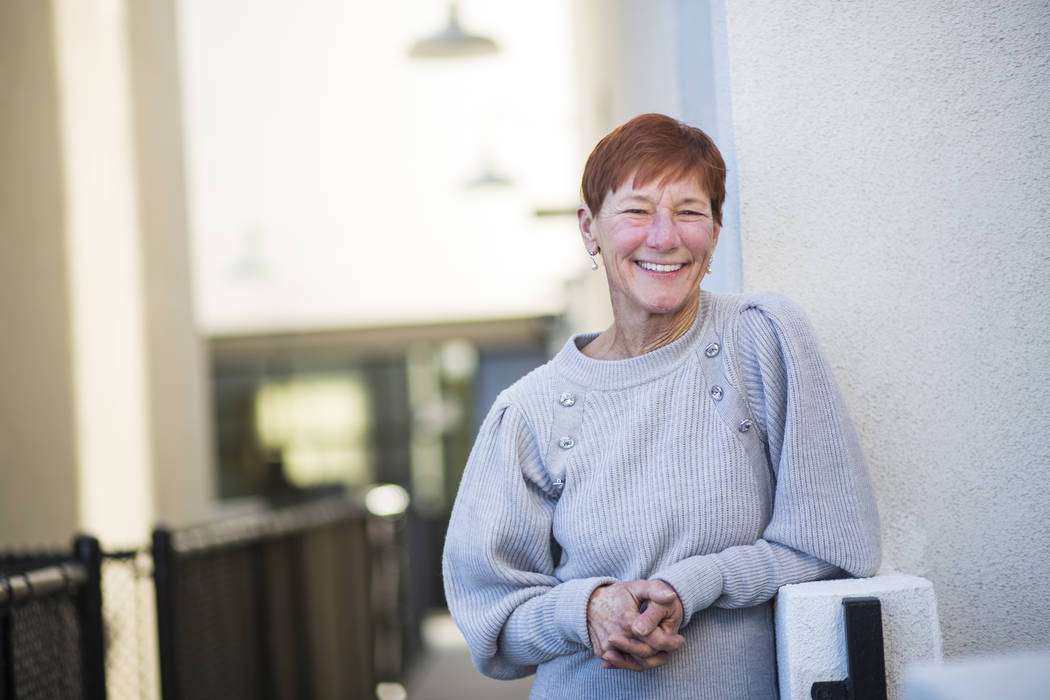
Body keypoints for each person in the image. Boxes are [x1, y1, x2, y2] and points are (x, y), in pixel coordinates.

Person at [442, 113, 881, 699]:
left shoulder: (762, 340)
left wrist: (695, 583)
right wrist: (589, 609)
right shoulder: (530, 411)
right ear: (589, 229)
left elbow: (835, 544)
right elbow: (492, 619)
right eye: (637, 209)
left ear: (716, 232)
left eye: (690, 211)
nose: (664, 236)